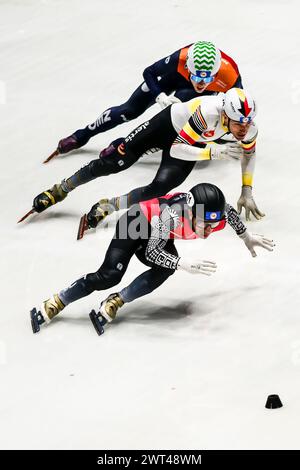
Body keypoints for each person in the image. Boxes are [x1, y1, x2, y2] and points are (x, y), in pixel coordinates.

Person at [30, 183, 274, 335]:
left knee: (165, 269)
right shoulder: (172, 216)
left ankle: (117, 301)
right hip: (136, 223)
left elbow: (230, 213)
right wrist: (182, 264)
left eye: (213, 224)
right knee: (110, 275)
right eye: (203, 225)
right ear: (189, 212)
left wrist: (246, 237)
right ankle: (56, 302)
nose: (210, 230)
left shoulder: (214, 215)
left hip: (159, 235)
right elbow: (151, 253)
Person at [28, 88, 263, 223]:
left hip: (190, 140)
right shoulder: (208, 112)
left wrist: (246, 190)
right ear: (225, 116)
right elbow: (175, 148)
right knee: (114, 163)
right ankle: (61, 189)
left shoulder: (248, 127)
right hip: (166, 126)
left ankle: (109, 206)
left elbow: (249, 154)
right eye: (238, 123)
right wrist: (213, 151)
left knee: (159, 189)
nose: (243, 129)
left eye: (246, 122)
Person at [52, 41, 242, 156]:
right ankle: (81, 135)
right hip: (172, 78)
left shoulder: (230, 74)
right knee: (129, 111)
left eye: (207, 78)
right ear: (188, 67)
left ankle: (124, 144)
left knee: (179, 125)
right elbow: (149, 72)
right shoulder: (180, 58)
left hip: (194, 97)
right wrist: (159, 95)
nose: (201, 83)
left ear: (216, 73)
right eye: (196, 76)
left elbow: (238, 108)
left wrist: (225, 131)